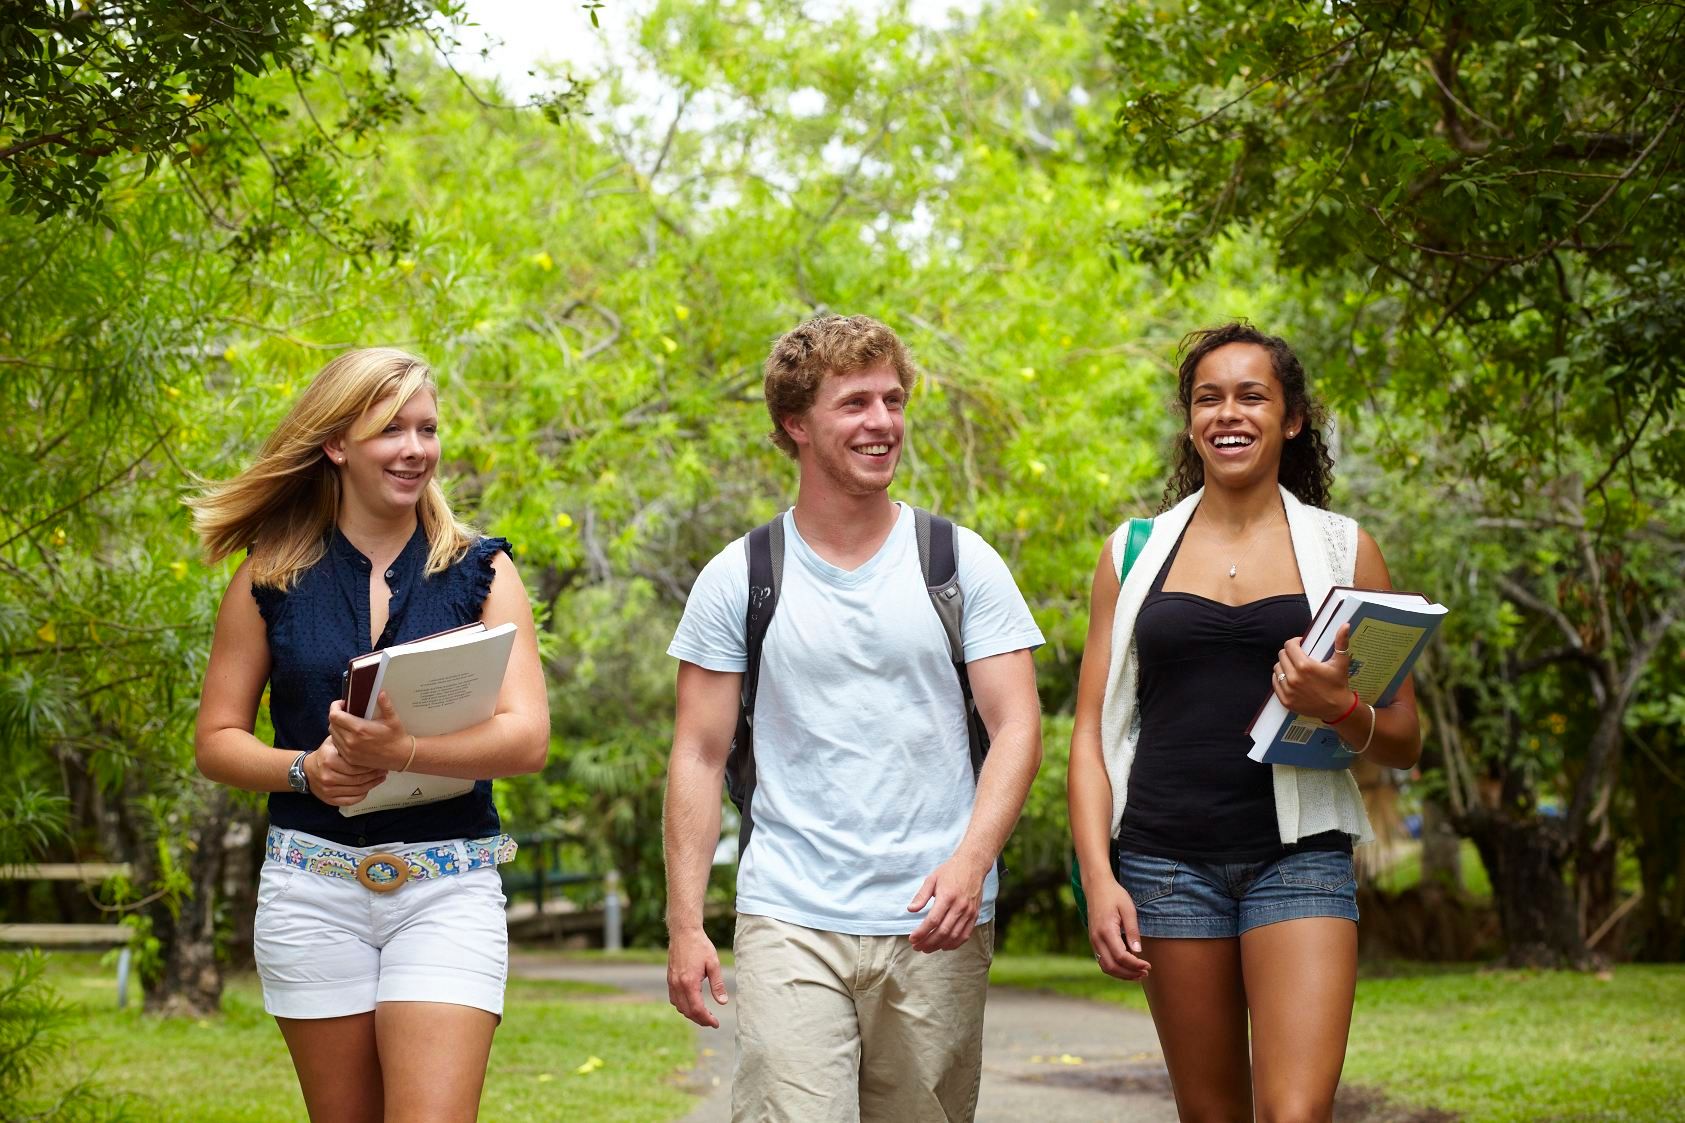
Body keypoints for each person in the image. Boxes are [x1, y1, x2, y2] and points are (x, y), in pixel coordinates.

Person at [662, 314, 1045, 1122]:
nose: (882, 423)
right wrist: (684, 923)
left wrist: (971, 863)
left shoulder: (958, 561)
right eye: (855, 403)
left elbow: (1017, 728)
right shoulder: (740, 577)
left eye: (892, 399)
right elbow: (697, 754)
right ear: (794, 424)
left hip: (935, 920)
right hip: (790, 911)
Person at [1067, 322, 1422, 1122]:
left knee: (1294, 1112)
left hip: (1297, 861)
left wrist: (1338, 705)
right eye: (1208, 397)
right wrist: (1099, 877)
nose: (1228, 413)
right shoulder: (1131, 553)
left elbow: (1404, 737)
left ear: (1290, 417)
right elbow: (1091, 735)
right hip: (1163, 866)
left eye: (1251, 395)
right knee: (1211, 1113)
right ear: (1190, 419)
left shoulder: (1343, 552)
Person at [189, 347, 549, 1123]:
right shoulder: (267, 577)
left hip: (446, 888)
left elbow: (527, 740)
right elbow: (216, 738)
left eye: (427, 428)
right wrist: (303, 772)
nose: (416, 448)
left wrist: (404, 753)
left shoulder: (483, 570)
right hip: (309, 891)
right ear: (337, 444)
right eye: (391, 430)